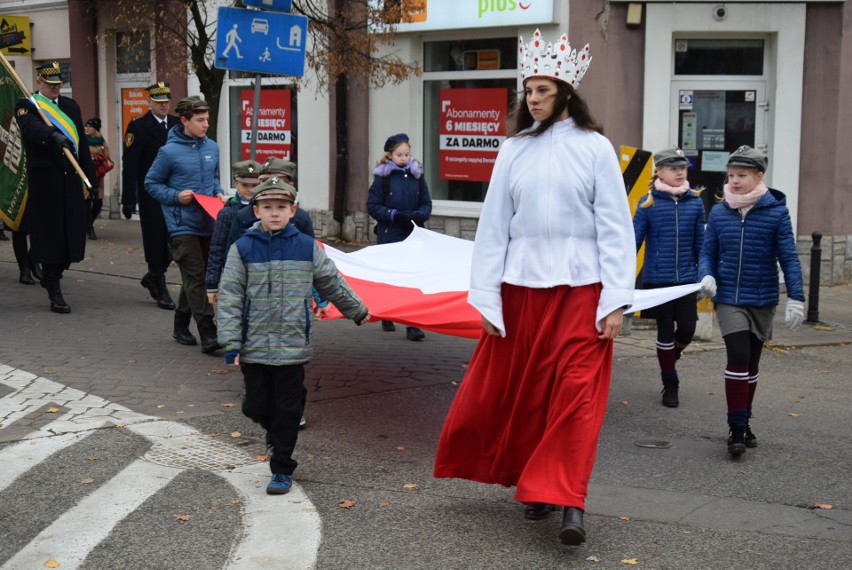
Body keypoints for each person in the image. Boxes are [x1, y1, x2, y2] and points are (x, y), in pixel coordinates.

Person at [433, 30, 635, 546]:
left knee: (576, 395)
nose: (533, 98)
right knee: (528, 393)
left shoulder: (595, 148)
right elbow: (494, 226)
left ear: (566, 93)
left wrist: (615, 299)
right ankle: (537, 486)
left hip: (582, 291)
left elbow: (615, 227)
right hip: (520, 290)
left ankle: (569, 500)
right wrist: (487, 296)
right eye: (529, 91)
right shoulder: (513, 150)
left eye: (543, 90)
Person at [217, 177, 370, 494]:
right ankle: (275, 430)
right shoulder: (242, 249)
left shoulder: (305, 247)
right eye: (268, 207)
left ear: (293, 210)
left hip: (292, 345)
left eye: (282, 207)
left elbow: (331, 281)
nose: (275, 213)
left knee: (287, 410)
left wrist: (357, 310)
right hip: (254, 346)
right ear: (256, 210)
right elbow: (230, 297)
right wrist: (231, 342)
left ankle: (282, 468)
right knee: (255, 407)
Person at [698, 145, 804, 457]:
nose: (734, 181)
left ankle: (744, 420)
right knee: (739, 358)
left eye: (742, 175)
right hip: (729, 296)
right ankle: (735, 428)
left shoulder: (777, 212)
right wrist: (707, 274)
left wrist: (797, 296)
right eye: (730, 175)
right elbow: (708, 251)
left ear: (759, 176)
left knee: (753, 364)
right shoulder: (719, 212)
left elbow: (789, 257)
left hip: (763, 297)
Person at [145, 95, 226, 353]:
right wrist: (176, 197)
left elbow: (213, 179)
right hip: (182, 224)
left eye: (207, 120)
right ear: (184, 121)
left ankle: (180, 325)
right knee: (197, 276)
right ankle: (208, 331)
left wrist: (218, 192)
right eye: (200, 120)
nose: (205, 125)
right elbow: (151, 184)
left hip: (208, 221)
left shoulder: (213, 147)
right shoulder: (168, 152)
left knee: (195, 279)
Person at [15, 61, 97, 313]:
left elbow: (81, 144)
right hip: (46, 181)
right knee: (51, 232)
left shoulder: (71, 106)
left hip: (70, 179)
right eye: (50, 85)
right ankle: (54, 288)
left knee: (71, 233)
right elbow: (30, 128)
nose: (55, 89)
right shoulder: (28, 106)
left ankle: (49, 264)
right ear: (39, 83)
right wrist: (51, 136)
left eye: (58, 85)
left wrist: (89, 179)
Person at [633, 148, 705, 408]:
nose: (679, 172)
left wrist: (705, 274)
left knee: (687, 329)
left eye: (682, 168)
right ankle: (670, 383)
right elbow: (634, 241)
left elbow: (702, 244)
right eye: (673, 168)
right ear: (660, 171)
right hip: (658, 279)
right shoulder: (648, 203)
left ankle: (669, 358)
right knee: (665, 330)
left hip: (687, 279)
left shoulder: (695, 203)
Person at [366, 133, 432, 341]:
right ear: (390, 155)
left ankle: (412, 324)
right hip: (390, 234)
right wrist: (393, 215)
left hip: (413, 233)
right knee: (391, 278)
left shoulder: (417, 176)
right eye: (399, 154)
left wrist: (419, 215)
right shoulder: (383, 178)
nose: (403, 158)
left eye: (406, 154)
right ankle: (387, 314)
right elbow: (373, 205)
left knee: (412, 278)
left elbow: (426, 202)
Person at [122, 82, 180, 310]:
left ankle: (153, 276)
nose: (164, 105)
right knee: (155, 238)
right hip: (151, 194)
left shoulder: (177, 125)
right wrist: (128, 198)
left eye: (166, 100)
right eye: (159, 101)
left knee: (176, 239)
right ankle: (159, 281)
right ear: (149, 103)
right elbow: (131, 165)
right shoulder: (138, 126)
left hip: (175, 193)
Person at [205, 159, 262, 305]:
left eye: (255, 185)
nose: (250, 189)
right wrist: (212, 285)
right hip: (234, 272)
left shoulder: (266, 209)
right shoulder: (227, 212)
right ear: (236, 183)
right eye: (245, 185)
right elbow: (217, 248)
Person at [84, 117, 110, 240]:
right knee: (86, 201)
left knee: (98, 204)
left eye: (90, 126)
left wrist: (99, 156)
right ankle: (88, 227)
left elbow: (107, 156)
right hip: (85, 176)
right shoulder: (82, 140)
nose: (87, 128)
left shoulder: (101, 141)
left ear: (96, 129)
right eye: (86, 126)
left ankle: (88, 224)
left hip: (98, 175)